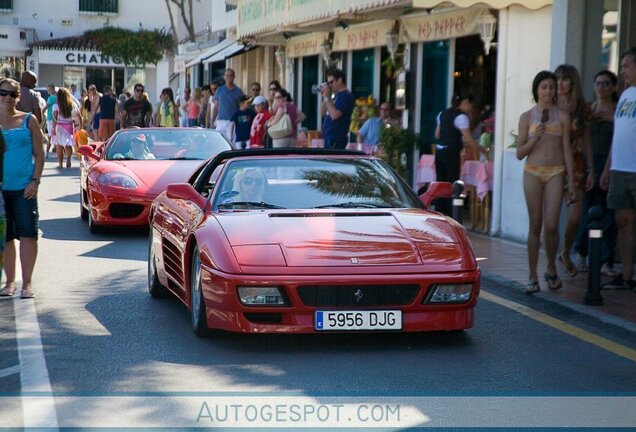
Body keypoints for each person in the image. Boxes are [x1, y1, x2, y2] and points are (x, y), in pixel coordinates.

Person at [516, 70, 576, 294]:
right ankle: (532, 276)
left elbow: (567, 150)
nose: (548, 91)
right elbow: (520, 153)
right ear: (537, 90)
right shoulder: (526, 117)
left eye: (551, 87)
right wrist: (534, 139)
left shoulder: (562, 116)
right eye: (544, 87)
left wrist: (572, 182)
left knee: (551, 225)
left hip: (556, 172)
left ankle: (551, 267)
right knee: (535, 224)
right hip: (532, 171)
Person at [0, 78, 45, 299]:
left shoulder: (29, 120)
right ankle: (9, 283)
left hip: (24, 188)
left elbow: (40, 154)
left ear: (19, 97)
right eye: (3, 93)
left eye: (13, 94)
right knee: (6, 237)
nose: (8, 98)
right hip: (1, 190)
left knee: (28, 235)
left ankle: (27, 283)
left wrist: (35, 181)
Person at [573, 70, 619, 277]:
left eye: (606, 83)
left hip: (612, 162)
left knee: (609, 214)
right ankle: (582, 251)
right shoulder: (589, 111)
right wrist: (589, 169)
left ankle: (606, 260)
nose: (602, 87)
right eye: (598, 83)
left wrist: (607, 168)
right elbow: (583, 141)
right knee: (588, 211)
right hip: (591, 164)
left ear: (613, 87)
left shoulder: (619, 110)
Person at [600, 47, 636, 291]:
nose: (622, 70)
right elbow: (618, 134)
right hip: (621, 169)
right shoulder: (625, 96)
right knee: (623, 220)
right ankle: (627, 273)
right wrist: (607, 169)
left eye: (626, 66)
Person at [555, 64, 594, 277]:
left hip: (577, 166)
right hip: (552, 165)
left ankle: (565, 252)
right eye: (557, 78)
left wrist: (592, 169)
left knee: (574, 217)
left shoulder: (581, 107)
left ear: (573, 82)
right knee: (550, 220)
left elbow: (586, 139)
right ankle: (551, 265)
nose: (560, 83)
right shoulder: (549, 106)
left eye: (565, 79)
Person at [433, 93, 483, 215]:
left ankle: (440, 212)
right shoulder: (462, 117)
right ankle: (451, 214)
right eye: (469, 103)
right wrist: (483, 149)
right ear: (464, 103)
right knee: (452, 184)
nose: (470, 106)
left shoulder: (442, 114)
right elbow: (469, 139)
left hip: (439, 152)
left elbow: (437, 135)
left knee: (441, 182)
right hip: (451, 152)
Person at [320, 68, 355, 149]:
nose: (330, 85)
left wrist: (327, 97)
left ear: (339, 80)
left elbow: (335, 115)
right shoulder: (335, 96)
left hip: (336, 138)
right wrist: (325, 97)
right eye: (328, 83)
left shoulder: (346, 96)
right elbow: (322, 113)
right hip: (329, 137)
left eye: (331, 82)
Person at [210, 69, 245, 141]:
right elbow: (216, 106)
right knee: (219, 142)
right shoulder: (219, 90)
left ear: (234, 76)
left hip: (232, 122)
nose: (229, 77)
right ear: (224, 77)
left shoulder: (238, 91)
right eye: (227, 75)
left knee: (231, 144)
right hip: (220, 121)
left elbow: (241, 108)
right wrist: (212, 121)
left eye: (231, 75)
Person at [53, 87, 83, 169]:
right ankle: (68, 158)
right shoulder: (72, 105)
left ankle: (60, 163)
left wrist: (53, 128)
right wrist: (80, 126)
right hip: (69, 126)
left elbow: (55, 118)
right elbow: (79, 116)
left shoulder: (56, 106)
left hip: (59, 126)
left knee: (60, 145)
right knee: (68, 143)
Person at [43, 84, 57, 158]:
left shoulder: (51, 98)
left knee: (50, 137)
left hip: (50, 119)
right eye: (47, 89)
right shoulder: (58, 97)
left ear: (53, 89)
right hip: (57, 119)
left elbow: (45, 108)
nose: (48, 91)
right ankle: (56, 152)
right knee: (56, 136)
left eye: (49, 89)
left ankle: (47, 153)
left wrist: (40, 113)